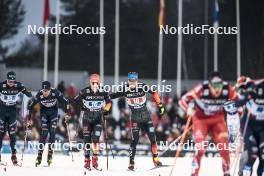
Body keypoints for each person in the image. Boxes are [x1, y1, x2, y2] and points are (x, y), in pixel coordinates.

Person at [179, 72, 237, 176]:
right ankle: (194, 173)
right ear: (209, 84)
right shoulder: (202, 88)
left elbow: (238, 99)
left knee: (224, 147)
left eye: (219, 84)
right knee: (200, 149)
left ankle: (227, 172)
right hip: (201, 120)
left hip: (217, 120)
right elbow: (183, 100)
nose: (217, 88)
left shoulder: (226, 88)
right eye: (214, 85)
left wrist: (240, 109)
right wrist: (188, 109)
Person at [110, 72, 165, 170]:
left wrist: (160, 105)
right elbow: (113, 96)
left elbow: (154, 92)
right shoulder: (124, 89)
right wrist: (102, 97)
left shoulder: (142, 86)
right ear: (128, 81)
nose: (132, 83)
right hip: (135, 118)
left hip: (146, 117)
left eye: (134, 81)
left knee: (153, 139)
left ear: (137, 81)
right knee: (134, 140)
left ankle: (155, 159)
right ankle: (131, 163)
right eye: (131, 81)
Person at [72, 73, 111, 170]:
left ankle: (95, 159)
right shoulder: (85, 91)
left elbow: (109, 102)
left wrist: (106, 110)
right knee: (87, 140)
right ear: (90, 82)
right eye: (93, 83)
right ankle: (87, 161)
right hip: (87, 118)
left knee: (96, 139)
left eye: (96, 83)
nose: (94, 85)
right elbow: (75, 100)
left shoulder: (103, 91)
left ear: (99, 82)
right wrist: (81, 105)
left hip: (98, 118)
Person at [27, 81, 69, 167]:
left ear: (50, 90)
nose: (45, 92)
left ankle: (50, 154)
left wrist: (66, 113)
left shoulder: (55, 92)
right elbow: (30, 106)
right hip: (44, 114)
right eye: (43, 90)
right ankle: (39, 155)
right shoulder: (39, 94)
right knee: (45, 133)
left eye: (47, 91)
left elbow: (66, 102)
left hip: (53, 113)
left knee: (52, 132)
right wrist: (29, 119)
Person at [232, 78, 264, 176]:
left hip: (262, 125)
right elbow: (236, 100)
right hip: (249, 123)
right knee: (251, 151)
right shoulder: (255, 85)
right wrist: (242, 93)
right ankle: (243, 172)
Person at [0, 71, 32, 165]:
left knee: (12, 134)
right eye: (9, 81)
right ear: (7, 79)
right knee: (1, 134)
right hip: (2, 110)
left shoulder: (18, 85)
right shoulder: (1, 85)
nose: (11, 83)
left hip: (12, 111)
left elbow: (29, 94)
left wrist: (27, 92)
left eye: (12, 81)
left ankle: (13, 156)